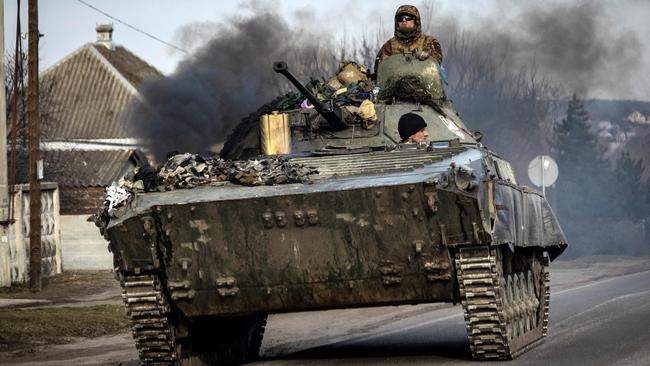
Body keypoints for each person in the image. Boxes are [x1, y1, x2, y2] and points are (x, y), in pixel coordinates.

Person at [374, 5, 443, 73]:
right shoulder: (389, 46)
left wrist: (426, 57)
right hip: (396, 83)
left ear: (416, 21)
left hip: (424, 83)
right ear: (397, 22)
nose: (404, 20)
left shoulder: (428, 41)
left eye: (408, 18)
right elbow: (379, 71)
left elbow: (436, 62)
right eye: (400, 19)